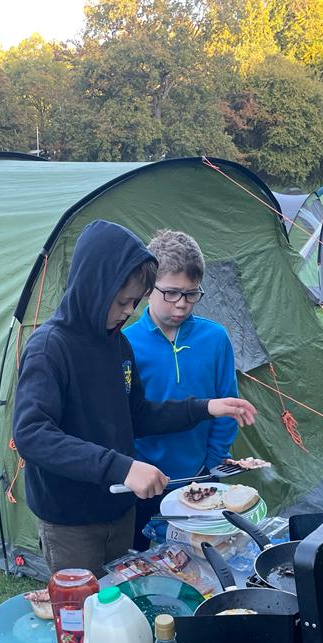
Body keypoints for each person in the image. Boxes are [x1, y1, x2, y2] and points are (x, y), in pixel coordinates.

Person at [12, 219, 256, 574]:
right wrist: (122, 467)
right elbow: (32, 435)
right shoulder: (50, 347)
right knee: (84, 613)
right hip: (71, 521)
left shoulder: (118, 344)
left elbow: (138, 414)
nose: (129, 312)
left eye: (134, 302)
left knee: (123, 599)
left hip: (120, 510)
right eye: (123, 301)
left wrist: (205, 408)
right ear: (95, 288)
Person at [123, 230, 239, 549]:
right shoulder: (126, 344)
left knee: (203, 560)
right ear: (149, 289)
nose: (182, 304)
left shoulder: (215, 339)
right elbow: (123, 418)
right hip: (144, 484)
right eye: (171, 293)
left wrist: (210, 463)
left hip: (201, 479)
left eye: (191, 294)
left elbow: (227, 408)